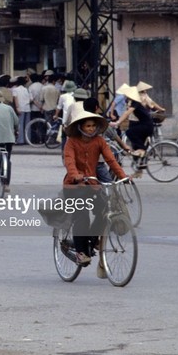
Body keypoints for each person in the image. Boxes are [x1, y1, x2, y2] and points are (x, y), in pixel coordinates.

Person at [63, 106, 128, 272]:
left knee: (105, 210)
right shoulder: (72, 142)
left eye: (93, 126)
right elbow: (69, 161)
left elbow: (111, 160)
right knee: (82, 216)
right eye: (87, 126)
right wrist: (75, 174)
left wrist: (123, 176)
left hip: (92, 185)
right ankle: (80, 252)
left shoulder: (99, 141)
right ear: (80, 127)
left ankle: (93, 238)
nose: (91, 129)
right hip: (73, 186)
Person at [111, 86, 155, 157]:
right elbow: (126, 113)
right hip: (143, 123)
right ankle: (140, 163)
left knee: (129, 132)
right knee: (135, 146)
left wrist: (117, 122)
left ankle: (142, 149)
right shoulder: (132, 102)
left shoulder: (136, 102)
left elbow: (127, 113)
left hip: (147, 125)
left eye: (127, 95)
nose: (126, 97)